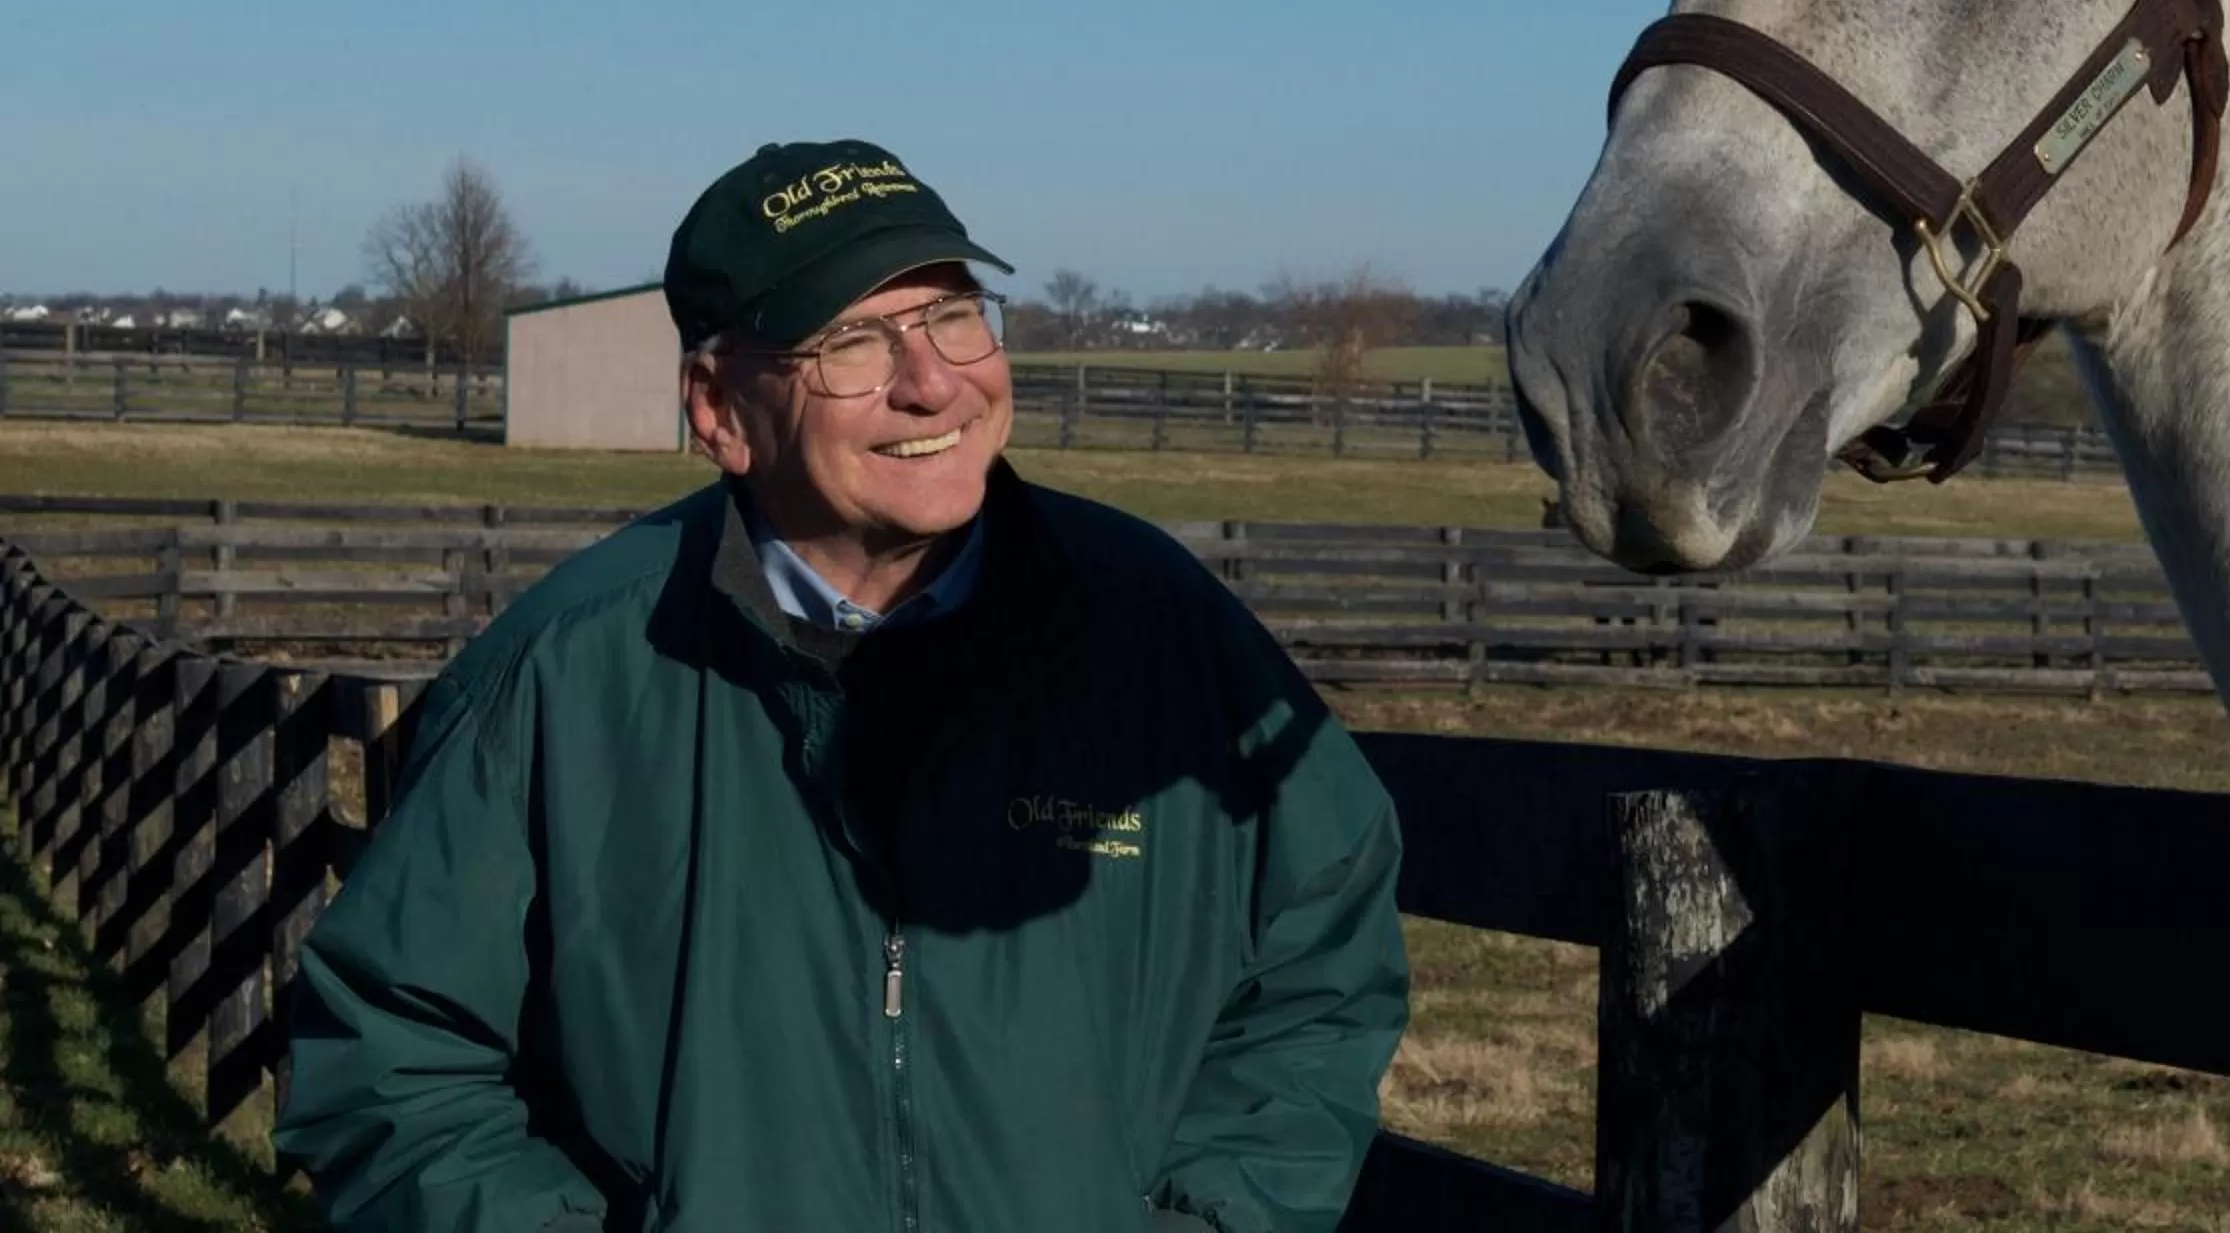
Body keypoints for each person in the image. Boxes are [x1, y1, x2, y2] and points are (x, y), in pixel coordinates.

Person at [275, 139, 1410, 1232]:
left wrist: (1211, 1218)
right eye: (853, 341)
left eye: (955, 313)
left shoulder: (1161, 635)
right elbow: (394, 1049)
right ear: (719, 408)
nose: (933, 382)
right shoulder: (567, 674)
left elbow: (1323, 948)